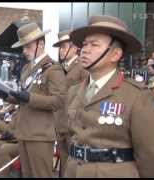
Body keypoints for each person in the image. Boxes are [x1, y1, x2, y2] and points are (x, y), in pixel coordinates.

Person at [64, 15, 154, 178]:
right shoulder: (74, 91)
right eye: (84, 44)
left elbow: (153, 156)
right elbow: (68, 137)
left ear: (115, 55)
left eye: (94, 44)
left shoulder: (136, 95)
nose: (85, 49)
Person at [0, 22, 67, 177]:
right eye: (23, 47)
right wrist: (7, 96)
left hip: (40, 134)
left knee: (41, 175)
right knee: (27, 174)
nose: (24, 51)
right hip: (24, 131)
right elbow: (23, 98)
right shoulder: (27, 68)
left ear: (41, 44)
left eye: (28, 47)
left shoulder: (53, 69)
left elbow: (59, 101)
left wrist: (29, 97)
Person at [52, 30, 88, 176]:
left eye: (64, 47)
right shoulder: (59, 68)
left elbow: (85, 95)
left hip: (73, 124)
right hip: (59, 122)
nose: (61, 51)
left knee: (73, 164)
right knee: (64, 162)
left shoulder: (82, 67)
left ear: (74, 48)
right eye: (60, 47)